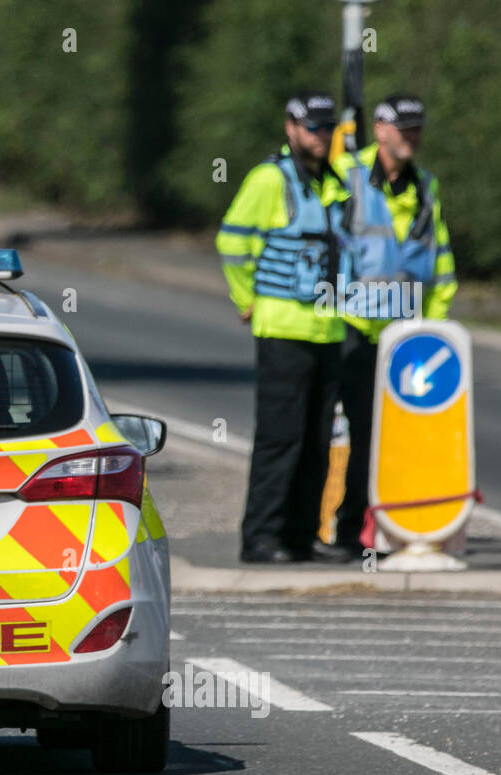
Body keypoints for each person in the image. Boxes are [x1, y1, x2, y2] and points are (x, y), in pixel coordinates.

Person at [317, 94, 457, 561]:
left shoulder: (425, 186)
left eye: (417, 128)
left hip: (404, 336)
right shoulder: (347, 175)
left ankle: (369, 532)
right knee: (327, 432)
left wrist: (432, 330)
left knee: (383, 440)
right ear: (380, 129)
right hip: (350, 328)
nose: (412, 136)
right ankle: (319, 528)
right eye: (404, 128)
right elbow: (322, 243)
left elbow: (440, 264)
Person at [216, 91, 352, 563]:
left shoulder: (331, 181)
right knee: (281, 437)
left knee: (318, 439)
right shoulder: (269, 179)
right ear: (291, 127)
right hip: (282, 329)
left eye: (327, 127)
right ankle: (261, 537)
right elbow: (232, 240)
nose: (321, 135)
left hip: (329, 330)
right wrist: (246, 299)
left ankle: (301, 535)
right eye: (313, 127)